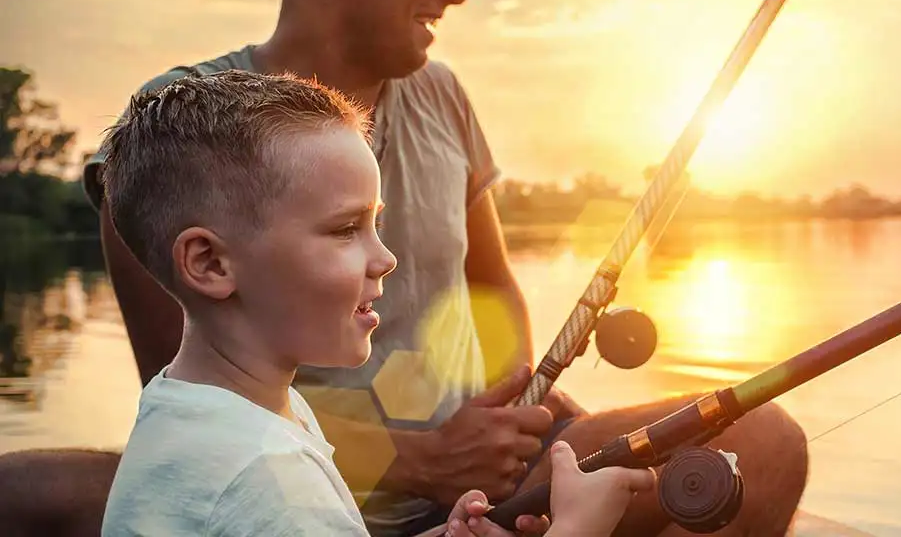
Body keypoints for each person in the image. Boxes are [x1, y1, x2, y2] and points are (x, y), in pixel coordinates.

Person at [4, 0, 809, 535]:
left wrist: (518, 413)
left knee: (762, 440)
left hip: (476, 475)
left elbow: (494, 288)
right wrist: (423, 462)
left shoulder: (445, 94)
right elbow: (187, 384)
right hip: (289, 469)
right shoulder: (179, 129)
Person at [96, 69, 656, 536]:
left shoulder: (207, 410)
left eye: (375, 224)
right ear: (210, 264)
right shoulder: (268, 482)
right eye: (345, 230)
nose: (385, 258)